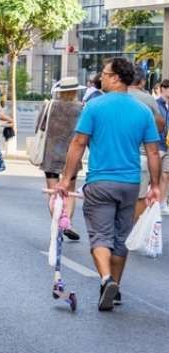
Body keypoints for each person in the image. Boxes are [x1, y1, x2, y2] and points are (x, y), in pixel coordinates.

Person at [56, 58, 161, 312]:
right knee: (121, 238)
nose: (100, 77)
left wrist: (66, 179)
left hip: (100, 182)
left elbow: (79, 143)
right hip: (130, 184)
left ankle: (106, 280)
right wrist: (156, 185)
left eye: (104, 73)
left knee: (100, 236)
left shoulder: (95, 106)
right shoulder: (143, 111)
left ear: (116, 78)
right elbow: (153, 152)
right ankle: (115, 289)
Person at [36, 77, 85, 240]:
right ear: (76, 91)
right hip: (72, 156)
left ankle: (58, 223)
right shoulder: (81, 108)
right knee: (69, 192)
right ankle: (66, 222)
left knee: (53, 192)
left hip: (50, 154)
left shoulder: (49, 106)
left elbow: (40, 127)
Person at [127, 75, 166, 220]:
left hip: (116, 156)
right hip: (141, 155)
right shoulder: (148, 99)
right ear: (142, 81)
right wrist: (155, 185)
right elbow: (160, 125)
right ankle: (133, 228)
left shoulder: (114, 96)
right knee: (140, 197)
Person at [156, 80, 169, 213]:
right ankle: (154, 201)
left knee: (166, 175)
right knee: (156, 174)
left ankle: (162, 202)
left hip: (168, 145)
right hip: (158, 143)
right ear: (163, 89)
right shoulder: (156, 104)